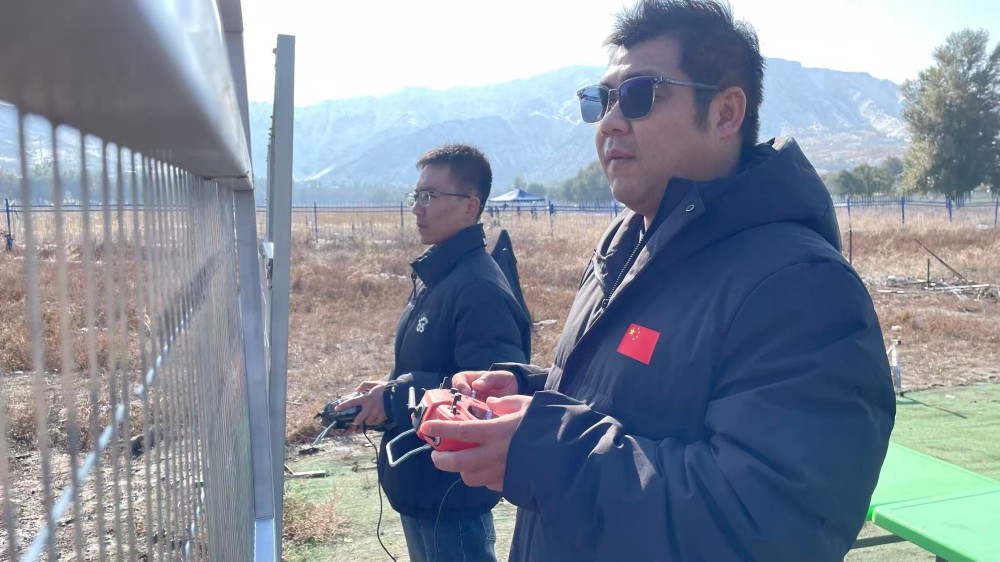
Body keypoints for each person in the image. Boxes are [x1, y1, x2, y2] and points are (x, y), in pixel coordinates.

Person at [421, 2, 896, 561]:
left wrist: (546, 448)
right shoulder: (625, 245)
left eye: (641, 95)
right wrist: (534, 391)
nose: (611, 121)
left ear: (725, 113)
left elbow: (764, 526)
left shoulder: (803, 289)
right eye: (599, 100)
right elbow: (640, 397)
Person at [335, 144, 532, 562]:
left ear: (469, 207)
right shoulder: (439, 276)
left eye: (430, 196)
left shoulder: (478, 288)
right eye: (416, 195)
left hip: (451, 491)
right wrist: (385, 393)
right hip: (423, 478)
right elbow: (432, 369)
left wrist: (395, 396)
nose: (417, 208)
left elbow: (485, 394)